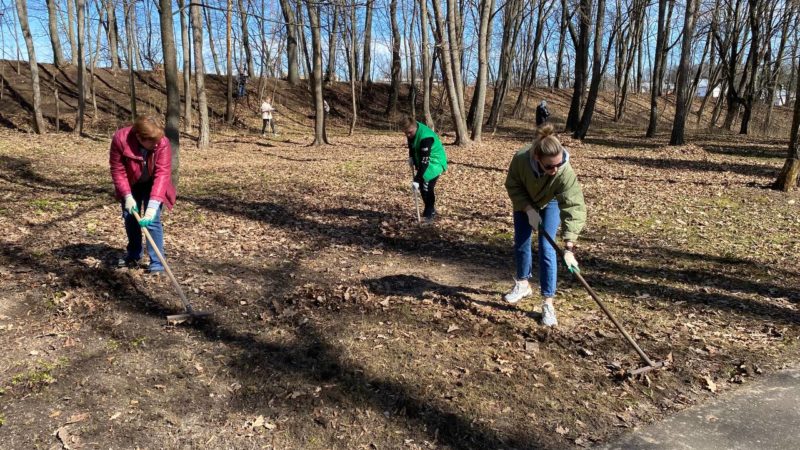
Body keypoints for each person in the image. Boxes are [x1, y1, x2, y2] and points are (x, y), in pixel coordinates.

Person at [503, 124, 586, 326]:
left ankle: (548, 302)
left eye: (558, 163)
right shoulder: (521, 159)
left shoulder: (563, 171)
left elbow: (573, 205)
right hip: (525, 200)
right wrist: (527, 208)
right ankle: (523, 284)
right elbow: (512, 184)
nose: (554, 169)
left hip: (551, 201)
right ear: (537, 158)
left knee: (547, 247)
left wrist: (569, 246)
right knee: (521, 241)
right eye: (549, 166)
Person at [109, 115, 177, 274]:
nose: (156, 145)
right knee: (130, 216)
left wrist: (152, 208)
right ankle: (134, 255)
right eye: (152, 142)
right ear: (139, 137)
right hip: (130, 183)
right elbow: (117, 170)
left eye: (158, 141)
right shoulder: (121, 139)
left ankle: (157, 263)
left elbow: (162, 174)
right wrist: (127, 196)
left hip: (153, 183)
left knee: (152, 220)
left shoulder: (162, 142)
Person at [400, 116, 447, 224]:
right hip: (424, 161)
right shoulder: (411, 131)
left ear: (415, 127)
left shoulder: (426, 138)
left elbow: (424, 162)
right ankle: (430, 210)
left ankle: (429, 214)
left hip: (435, 161)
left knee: (426, 187)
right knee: (422, 186)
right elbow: (411, 146)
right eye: (405, 133)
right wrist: (411, 157)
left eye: (410, 133)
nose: (408, 135)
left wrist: (416, 179)